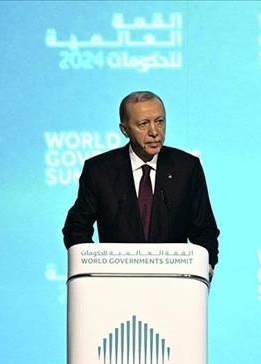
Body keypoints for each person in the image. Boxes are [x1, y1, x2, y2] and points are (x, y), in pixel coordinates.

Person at [62, 91, 220, 278]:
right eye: (143, 124)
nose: (154, 132)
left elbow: (205, 230)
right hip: (116, 282)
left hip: (173, 283)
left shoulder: (187, 167)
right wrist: (93, 268)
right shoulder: (99, 171)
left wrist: (204, 268)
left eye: (159, 121)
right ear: (124, 130)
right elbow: (76, 227)